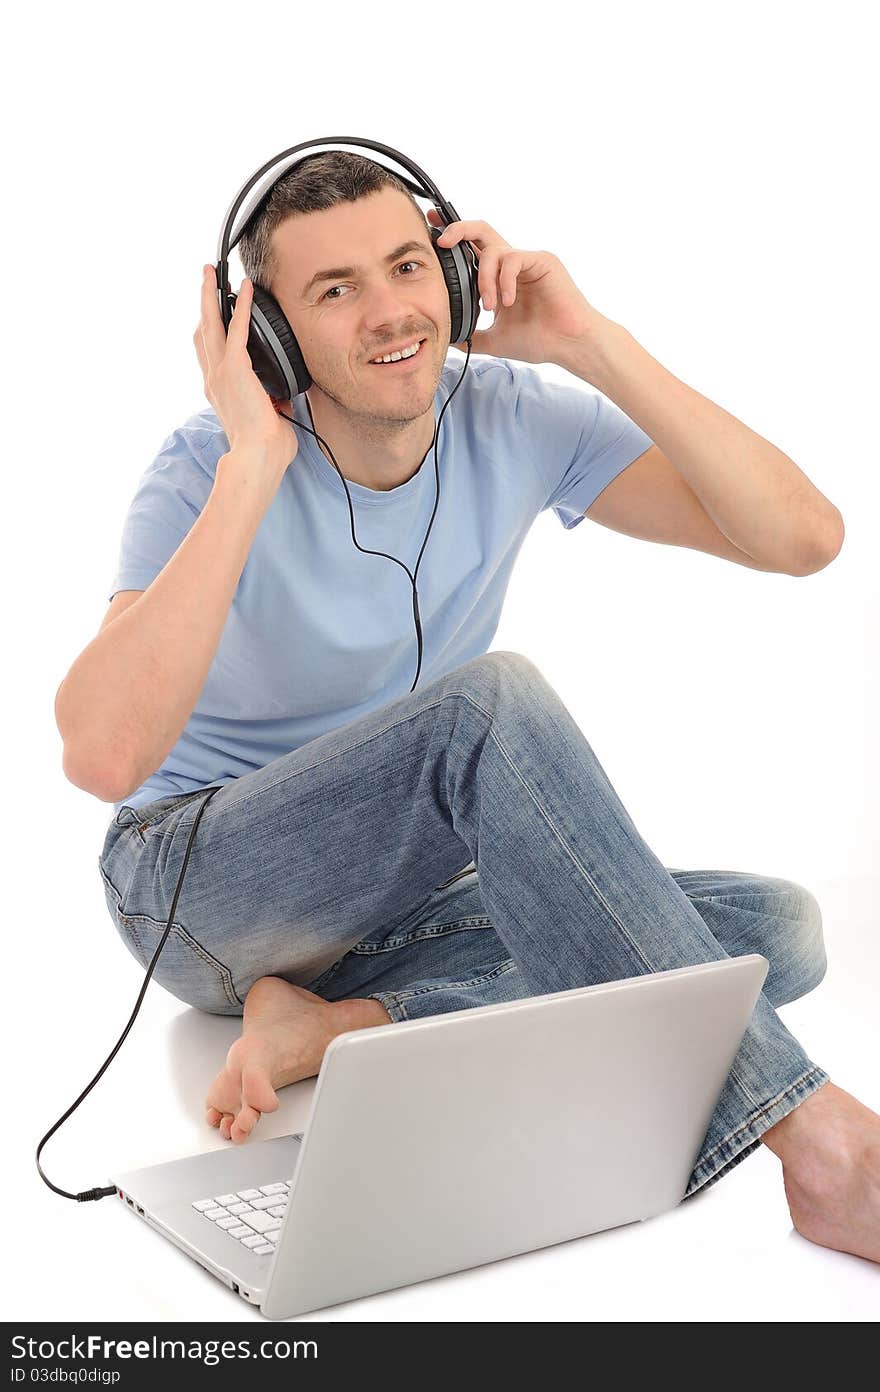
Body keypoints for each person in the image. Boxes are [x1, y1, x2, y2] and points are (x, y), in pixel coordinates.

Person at [56, 152, 878, 1266]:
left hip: (395, 904)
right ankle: (818, 1142)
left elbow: (803, 538)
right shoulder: (203, 469)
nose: (390, 310)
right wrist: (255, 458)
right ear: (272, 337)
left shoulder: (509, 416)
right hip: (200, 891)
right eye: (334, 290)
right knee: (486, 709)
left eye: (407, 266)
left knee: (777, 931)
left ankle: (348, 1024)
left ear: (453, 281)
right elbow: (102, 755)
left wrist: (586, 340)